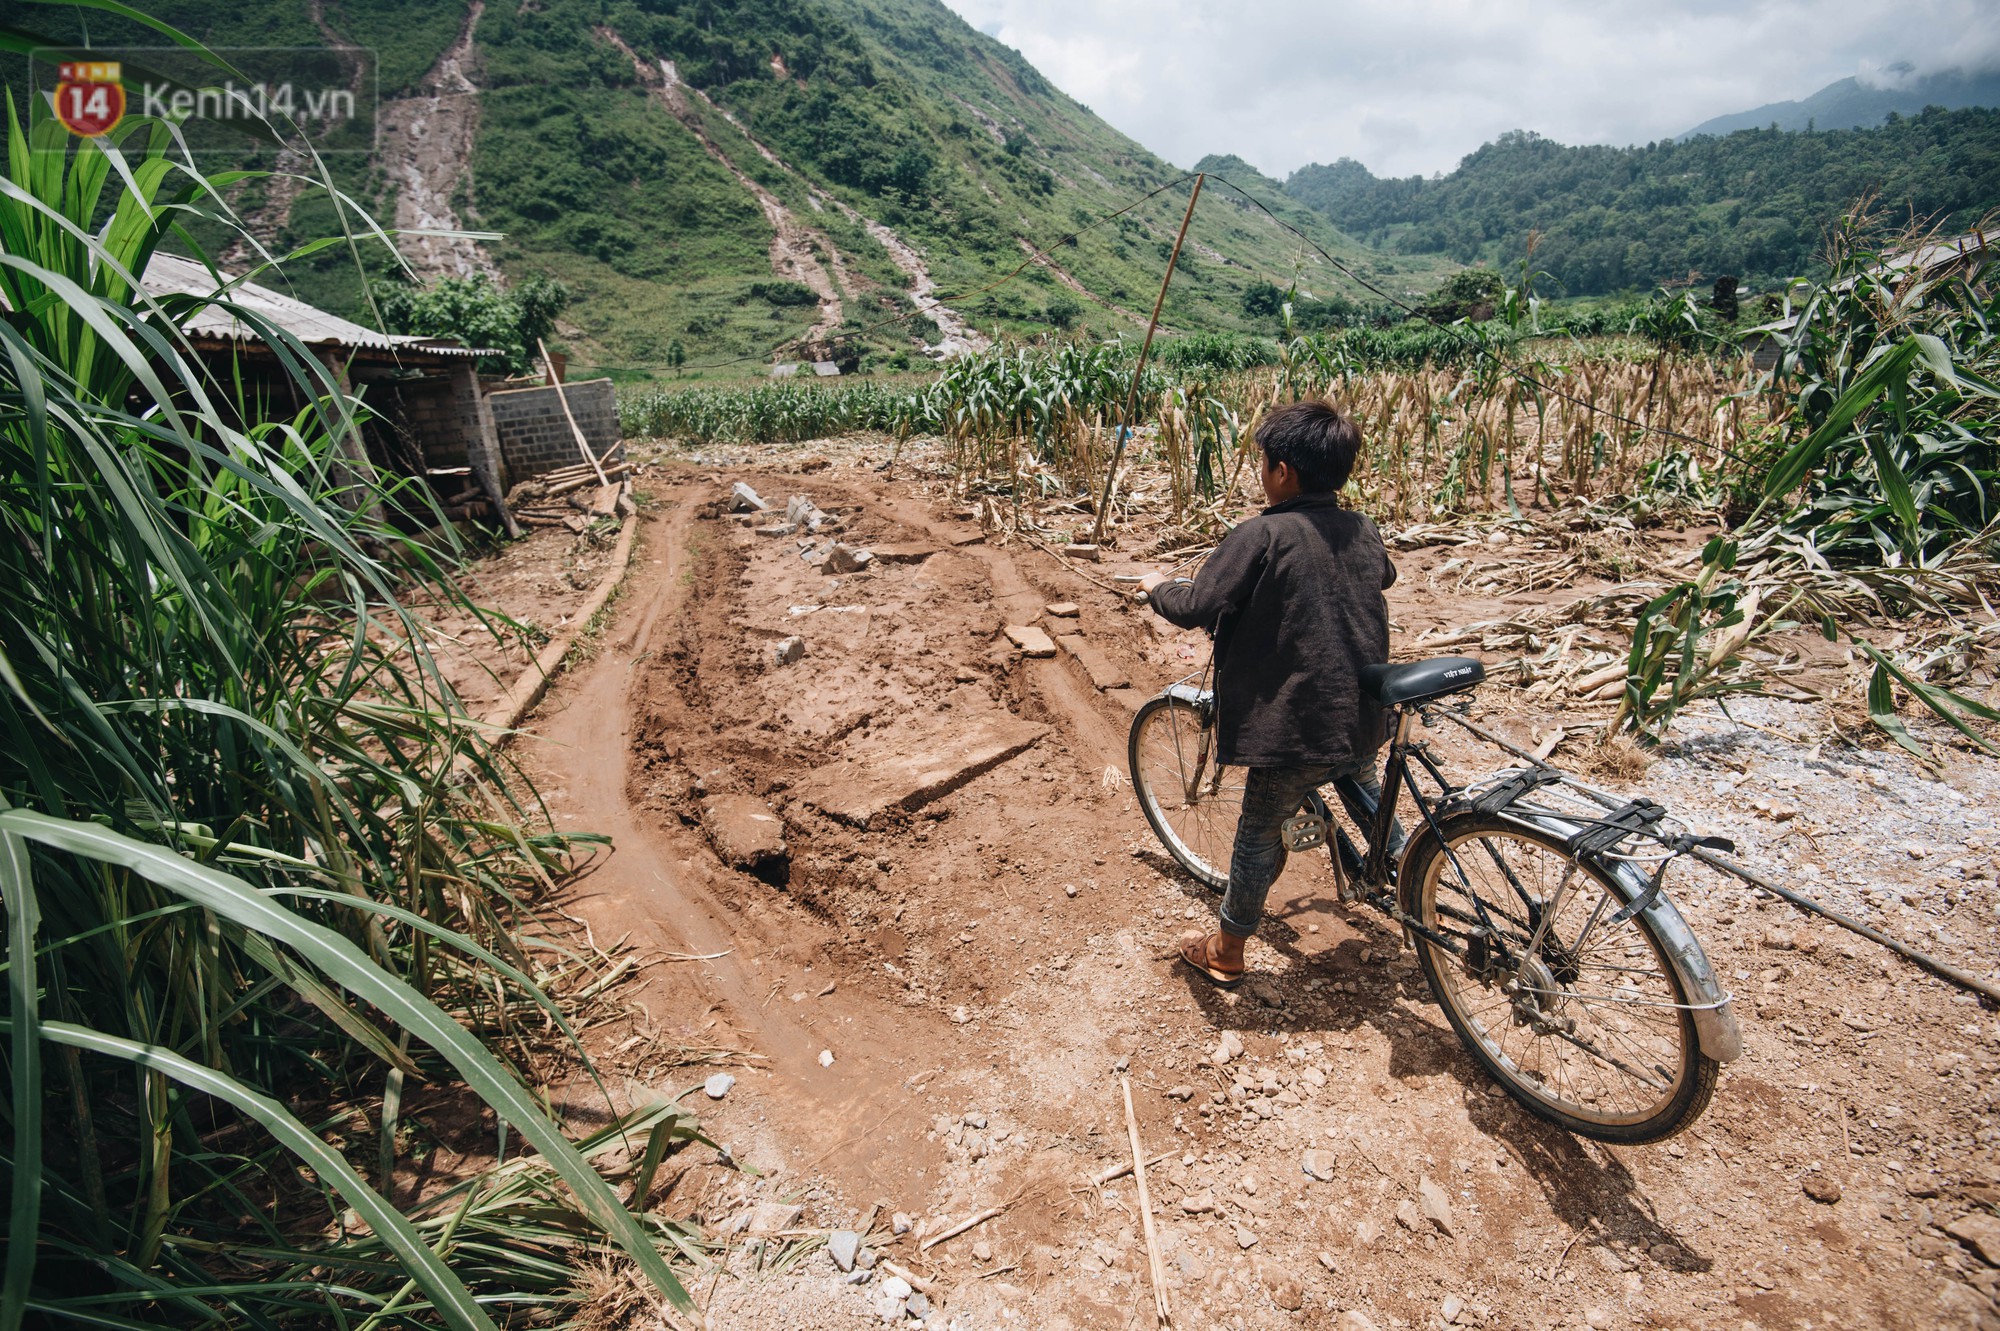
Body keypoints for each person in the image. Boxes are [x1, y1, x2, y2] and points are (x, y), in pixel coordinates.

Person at [1140, 400, 1397, 987]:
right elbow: (1382, 576)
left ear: (1283, 472)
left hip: (1295, 724)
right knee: (1367, 794)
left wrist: (1157, 586)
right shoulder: (1362, 528)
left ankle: (1227, 951)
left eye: (1264, 463)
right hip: (1359, 709)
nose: (1261, 472)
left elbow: (1199, 605)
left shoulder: (1261, 532)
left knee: (1257, 832)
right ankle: (1415, 885)